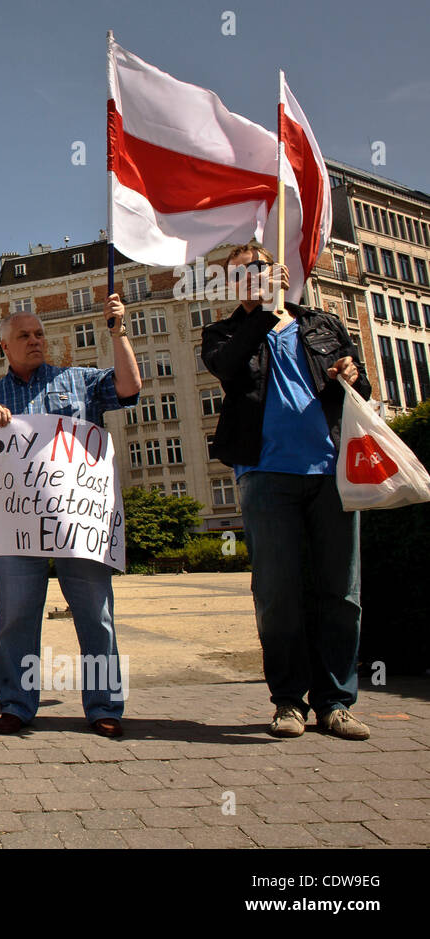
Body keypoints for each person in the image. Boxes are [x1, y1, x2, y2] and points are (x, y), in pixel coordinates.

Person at [202, 244, 371, 740]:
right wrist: (263, 311)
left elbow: (355, 384)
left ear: (279, 271)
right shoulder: (225, 332)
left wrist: (350, 374)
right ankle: (289, 702)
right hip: (265, 472)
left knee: (341, 591)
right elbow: (228, 369)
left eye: (261, 267)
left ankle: (336, 702)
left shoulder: (322, 324)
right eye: (241, 274)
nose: (253, 276)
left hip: (332, 471)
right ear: (233, 285)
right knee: (278, 593)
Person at [0, 295, 141, 737]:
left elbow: (130, 387)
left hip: (79, 524)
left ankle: (104, 707)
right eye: (25, 335)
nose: (36, 340)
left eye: (39, 334)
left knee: (95, 616)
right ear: (5, 347)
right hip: (18, 529)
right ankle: (17, 703)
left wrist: (119, 332)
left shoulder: (79, 380)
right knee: (16, 615)